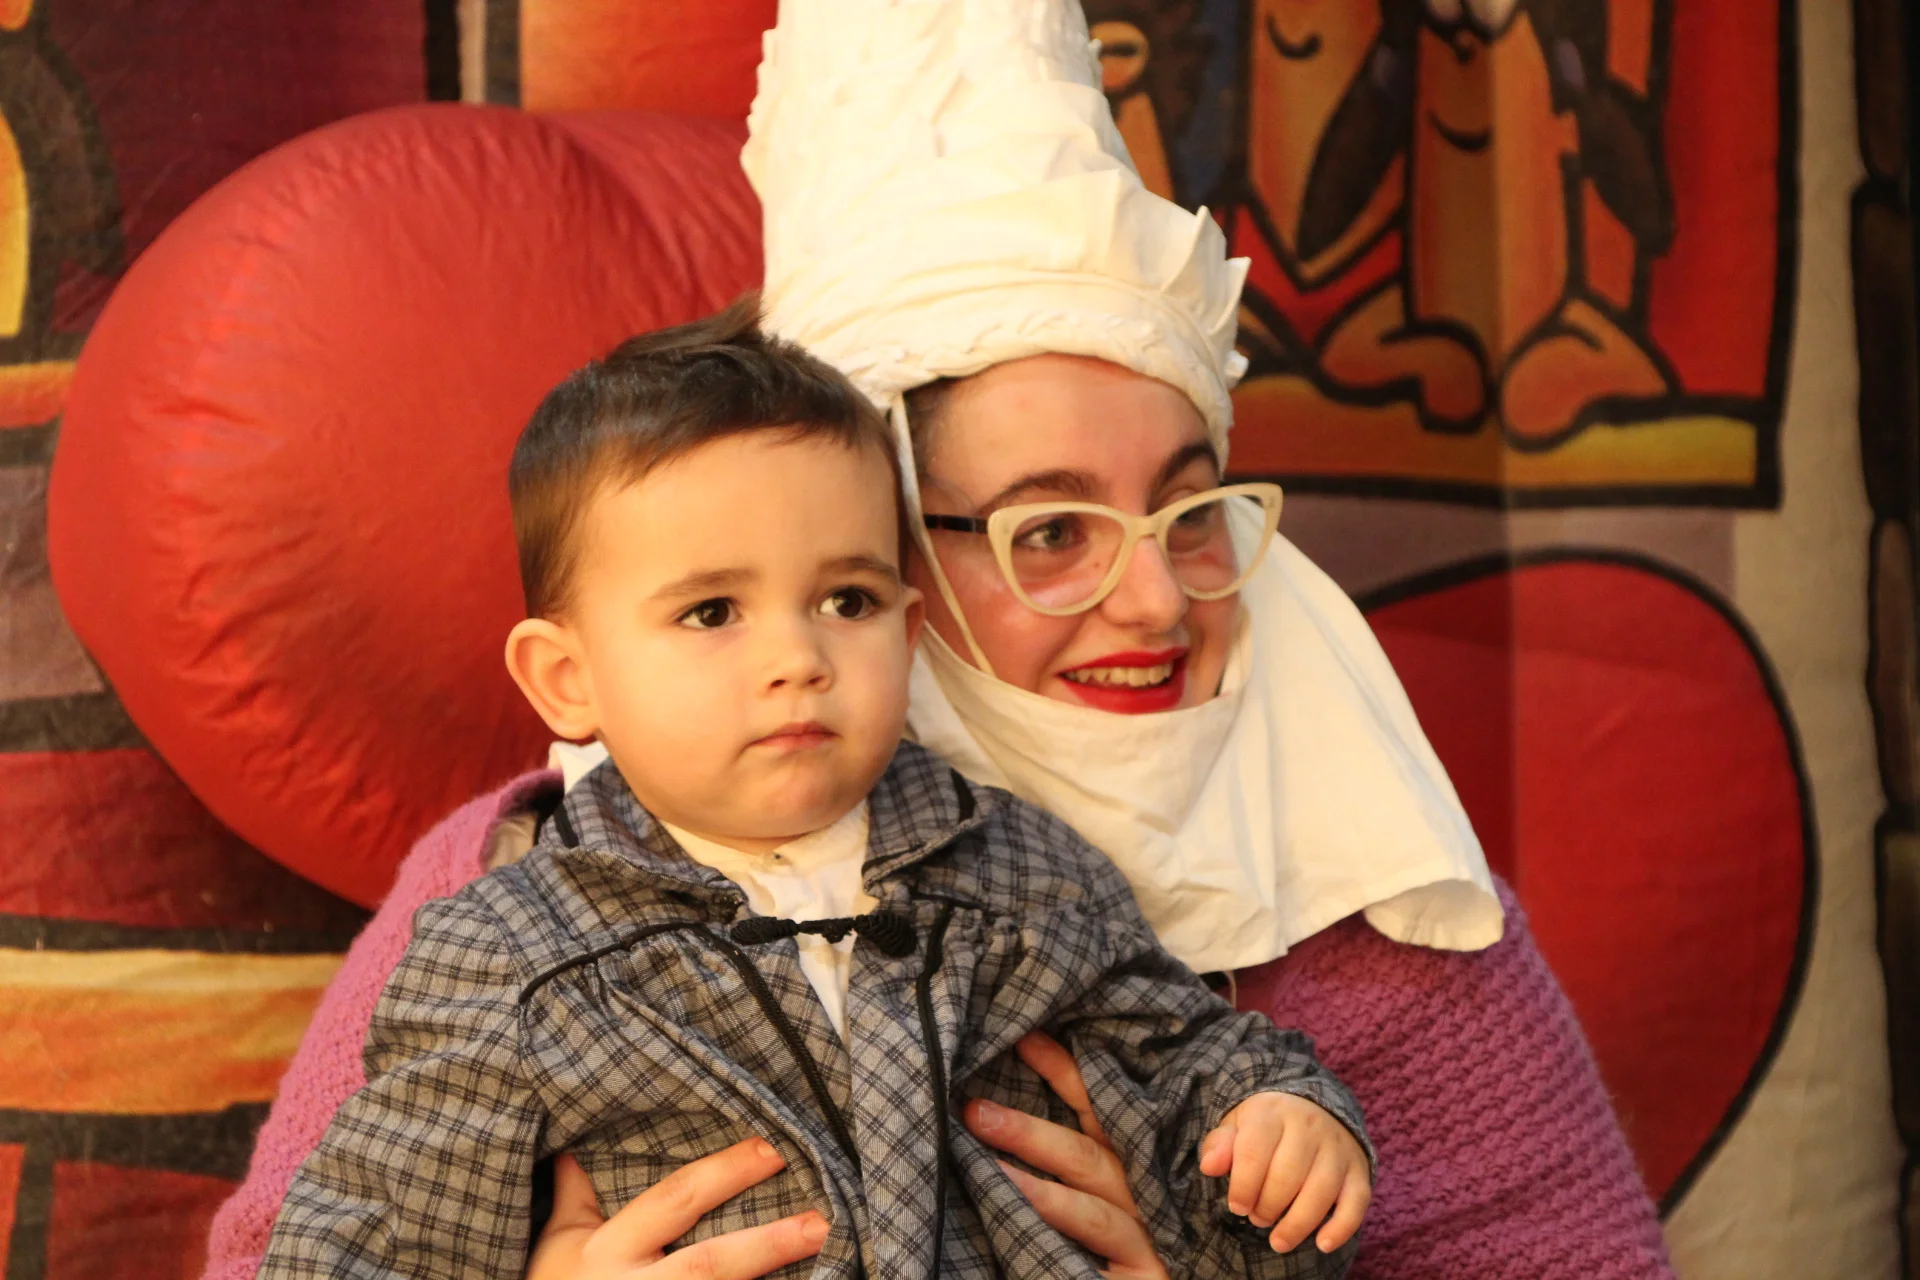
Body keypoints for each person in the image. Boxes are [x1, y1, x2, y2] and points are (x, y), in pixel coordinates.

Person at [203, 2, 1676, 1277]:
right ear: (889, 549)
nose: (1158, 603)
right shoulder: (513, 898)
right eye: (1050, 530)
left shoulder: (1383, 915)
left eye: (1189, 512)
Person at [256, 301, 1375, 1280]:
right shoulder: (512, 955)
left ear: (909, 629)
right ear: (568, 678)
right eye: (712, 612)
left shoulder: (1023, 874)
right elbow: (366, 1240)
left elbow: (1178, 1052)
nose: (798, 657)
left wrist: (1276, 1122)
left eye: (847, 600)